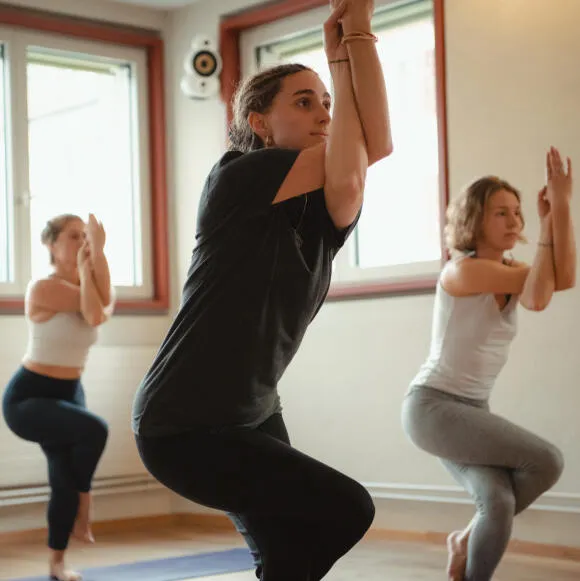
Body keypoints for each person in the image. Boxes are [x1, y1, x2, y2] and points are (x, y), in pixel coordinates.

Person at [132, 0, 392, 579]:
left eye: (327, 102)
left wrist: (343, 51)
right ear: (259, 123)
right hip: (183, 425)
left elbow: (368, 146)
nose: (324, 112)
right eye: (304, 103)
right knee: (347, 509)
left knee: (282, 551)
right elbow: (361, 152)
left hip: (252, 413)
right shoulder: (235, 180)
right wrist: (357, 34)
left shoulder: (325, 216)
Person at [402, 147, 575, 581]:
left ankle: (466, 543)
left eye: (519, 212)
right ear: (474, 220)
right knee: (548, 460)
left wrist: (559, 208)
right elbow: (540, 293)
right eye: (502, 213)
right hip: (434, 408)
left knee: (497, 502)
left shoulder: (514, 270)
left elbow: (565, 277)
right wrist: (552, 216)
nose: (515, 220)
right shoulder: (461, 272)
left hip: (471, 411)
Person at [3, 213, 114, 581]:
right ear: (51, 244)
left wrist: (97, 253)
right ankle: (85, 504)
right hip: (30, 396)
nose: (80, 240)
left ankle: (56, 565)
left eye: (85, 236)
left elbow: (101, 303)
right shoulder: (42, 287)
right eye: (72, 236)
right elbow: (96, 313)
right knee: (95, 431)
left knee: (62, 477)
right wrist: (93, 266)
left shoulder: (89, 283)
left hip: (70, 391)